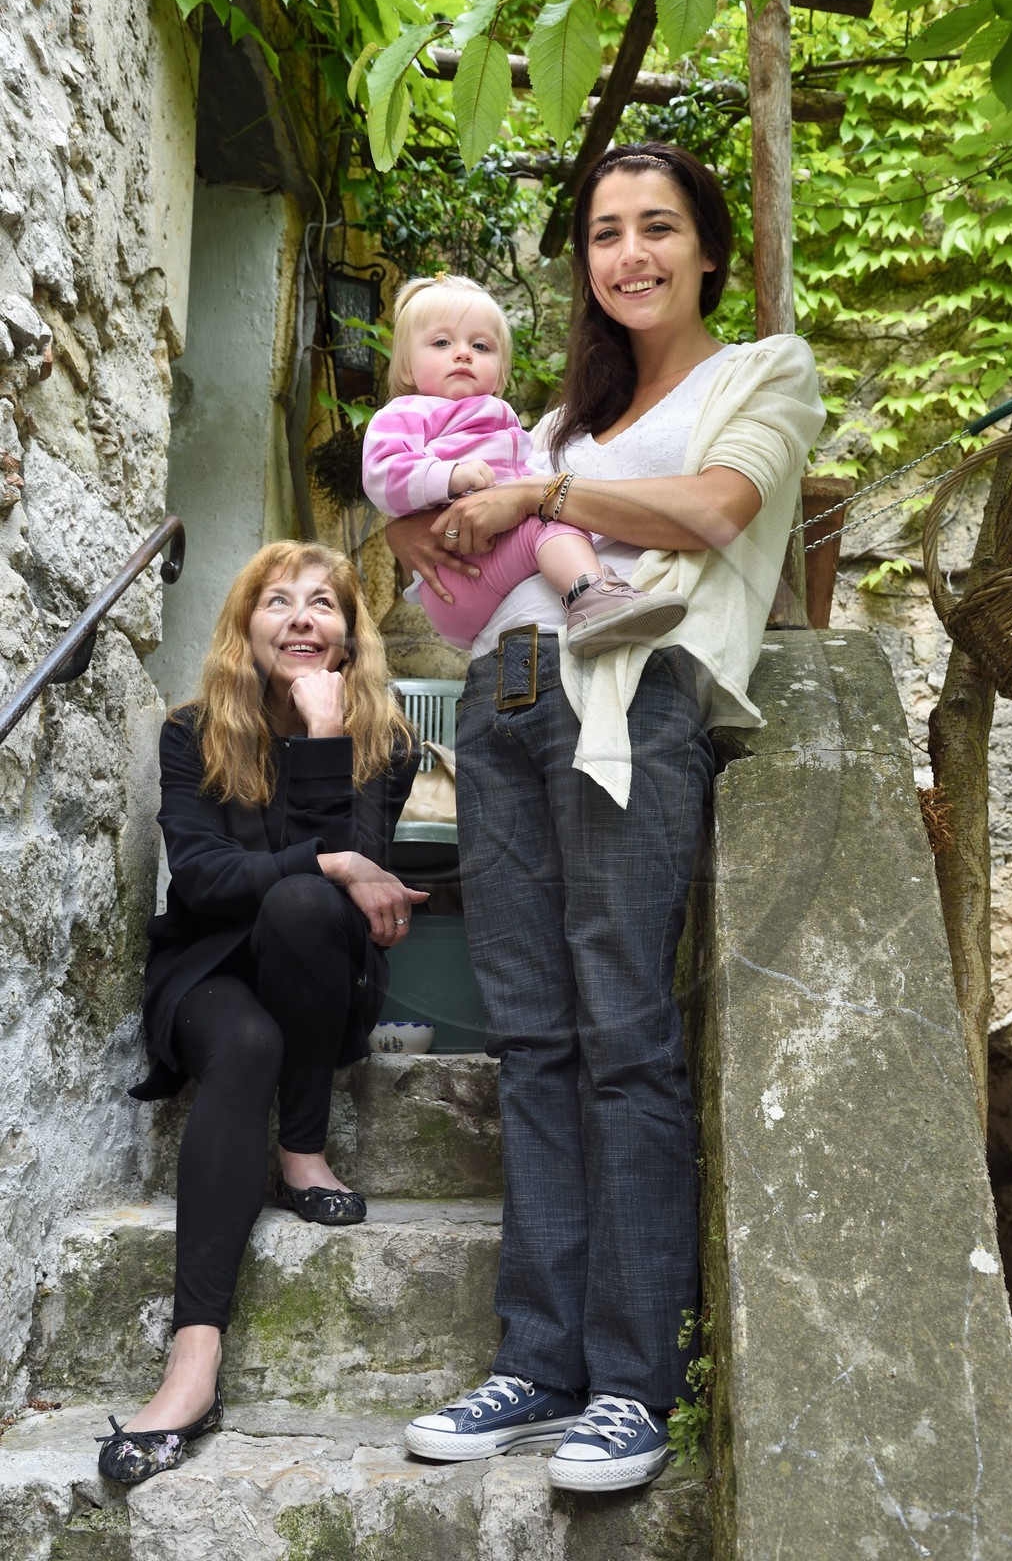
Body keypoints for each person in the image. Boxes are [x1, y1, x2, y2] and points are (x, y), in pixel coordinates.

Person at [388, 143, 825, 1493]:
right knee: (533, 1042)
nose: (628, 252)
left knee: (625, 1034)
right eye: (603, 233)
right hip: (504, 707)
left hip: (631, 701)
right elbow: (469, 571)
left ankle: (633, 1384)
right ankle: (540, 1361)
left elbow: (713, 510)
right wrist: (445, 546)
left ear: (705, 249)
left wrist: (543, 495)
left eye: (656, 228)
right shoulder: (561, 420)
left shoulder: (766, 371)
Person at [95, 541, 423, 1487]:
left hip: (322, 967)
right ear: (246, 628)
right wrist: (324, 864)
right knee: (244, 1041)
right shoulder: (191, 731)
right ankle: (191, 1367)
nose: (301, 618)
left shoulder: (385, 744)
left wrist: (324, 748)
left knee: (305, 904)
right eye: (276, 602)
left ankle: (303, 1148)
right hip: (206, 965)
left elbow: (352, 879)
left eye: (324, 603)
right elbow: (199, 879)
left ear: (351, 635)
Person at [361, 272, 687, 657]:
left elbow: (520, 482)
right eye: (441, 342)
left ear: (500, 373)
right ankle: (591, 597)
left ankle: (594, 586)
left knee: (558, 504)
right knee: (550, 512)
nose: (463, 353)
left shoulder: (505, 419)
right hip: (456, 571)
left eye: (481, 346)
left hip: (487, 564)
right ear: (406, 367)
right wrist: (448, 477)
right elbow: (381, 472)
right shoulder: (407, 412)